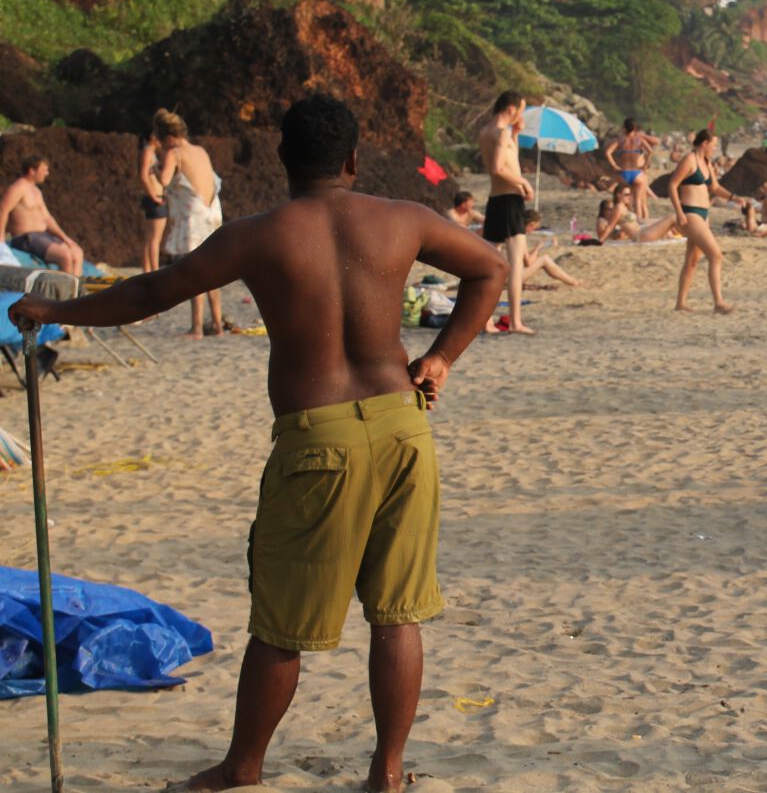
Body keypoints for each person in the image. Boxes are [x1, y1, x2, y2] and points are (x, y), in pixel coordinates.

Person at [10, 95, 507, 792]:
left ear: (282, 159)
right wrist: (441, 356)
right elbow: (490, 269)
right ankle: (387, 772)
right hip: (402, 426)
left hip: (318, 438)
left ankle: (244, 766)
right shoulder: (402, 219)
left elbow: (152, 292)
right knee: (398, 613)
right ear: (354, 159)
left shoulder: (259, 234)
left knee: (281, 622)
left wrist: (56, 309)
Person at [155, 109, 225, 338]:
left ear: (168, 138)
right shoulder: (200, 150)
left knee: (196, 270)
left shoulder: (175, 153)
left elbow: (164, 180)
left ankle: (196, 327)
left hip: (193, 215)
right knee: (214, 269)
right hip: (212, 212)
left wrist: (154, 169)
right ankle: (217, 324)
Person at [669, 128, 746, 314]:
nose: (715, 148)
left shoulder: (706, 161)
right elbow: (672, 184)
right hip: (690, 213)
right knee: (716, 255)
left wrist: (733, 197)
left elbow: (715, 187)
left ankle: (680, 303)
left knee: (692, 260)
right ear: (704, 144)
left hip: (704, 214)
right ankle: (718, 302)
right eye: (713, 144)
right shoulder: (689, 160)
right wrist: (678, 212)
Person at [478, 90, 535, 334]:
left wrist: (517, 134)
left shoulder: (486, 132)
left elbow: (509, 159)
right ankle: (514, 321)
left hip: (495, 200)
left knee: (490, 263)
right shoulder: (501, 133)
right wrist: (523, 182)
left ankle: (486, 321)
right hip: (510, 201)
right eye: (520, 110)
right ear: (511, 109)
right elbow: (498, 167)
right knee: (514, 265)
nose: (521, 115)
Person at [0, 155, 85, 275]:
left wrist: (65, 238)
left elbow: (48, 219)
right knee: (64, 255)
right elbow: (3, 210)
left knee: (77, 252)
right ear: (32, 170)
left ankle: (76, 292)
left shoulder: (36, 191)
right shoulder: (18, 188)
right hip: (26, 238)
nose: (47, 173)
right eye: (44, 169)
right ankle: (65, 292)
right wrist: (1, 239)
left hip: (42, 236)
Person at [604, 119, 658, 220]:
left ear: (624, 128)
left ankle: (624, 220)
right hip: (637, 173)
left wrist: (614, 166)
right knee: (637, 201)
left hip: (624, 173)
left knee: (622, 201)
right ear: (635, 128)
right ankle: (638, 224)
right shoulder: (639, 139)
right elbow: (650, 151)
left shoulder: (620, 140)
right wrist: (645, 165)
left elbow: (608, 152)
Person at [518, 209, 580, 286]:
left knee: (541, 258)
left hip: (507, 274)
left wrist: (536, 251)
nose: (534, 230)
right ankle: (573, 282)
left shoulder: (514, 234)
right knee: (545, 259)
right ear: (531, 224)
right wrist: (537, 248)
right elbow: (528, 263)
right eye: (535, 228)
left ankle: (572, 281)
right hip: (514, 277)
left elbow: (522, 258)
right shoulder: (520, 236)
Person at [595, 188, 679, 243]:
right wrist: (600, 241)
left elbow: (641, 220)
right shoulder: (618, 208)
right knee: (673, 217)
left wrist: (660, 220)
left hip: (643, 231)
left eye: (630, 194)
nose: (629, 197)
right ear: (618, 195)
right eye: (627, 194)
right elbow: (610, 227)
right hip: (640, 236)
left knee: (669, 227)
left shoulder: (624, 208)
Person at [139, 134, 167, 273]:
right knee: (155, 238)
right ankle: (154, 270)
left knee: (150, 238)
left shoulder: (151, 152)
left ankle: (148, 270)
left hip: (154, 197)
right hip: (155, 198)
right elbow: (144, 176)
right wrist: (154, 196)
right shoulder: (148, 151)